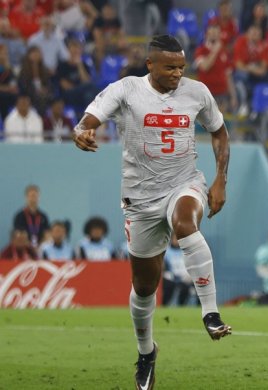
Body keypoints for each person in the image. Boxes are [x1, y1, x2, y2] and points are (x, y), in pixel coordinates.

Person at [72, 35, 232, 389]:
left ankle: (210, 312)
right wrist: (82, 130)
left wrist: (220, 180)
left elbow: (219, 131)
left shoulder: (197, 92)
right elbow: (90, 117)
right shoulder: (127, 90)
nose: (177, 73)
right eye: (170, 67)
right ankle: (146, 353)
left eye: (181, 67)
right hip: (140, 199)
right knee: (145, 287)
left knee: (185, 222)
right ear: (150, 65)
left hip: (184, 183)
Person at [13, 184, 50, 249]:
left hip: (40, 248)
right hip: (25, 247)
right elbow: (18, 235)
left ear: (39, 197)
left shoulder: (43, 216)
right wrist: (30, 248)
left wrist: (39, 247)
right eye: (31, 196)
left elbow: (47, 234)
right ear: (26, 197)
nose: (33, 198)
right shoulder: (20, 216)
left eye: (35, 196)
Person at [162, 234, 194, 306]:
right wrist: (166, 272)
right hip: (171, 277)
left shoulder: (186, 251)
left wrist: (189, 275)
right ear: (171, 239)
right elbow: (163, 266)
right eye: (175, 239)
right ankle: (164, 305)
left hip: (184, 277)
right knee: (168, 285)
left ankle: (181, 306)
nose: (177, 241)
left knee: (186, 287)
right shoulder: (167, 251)